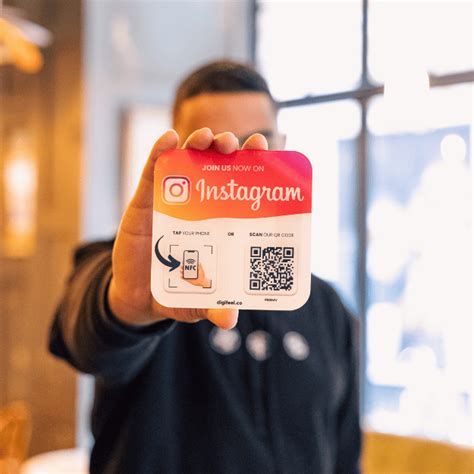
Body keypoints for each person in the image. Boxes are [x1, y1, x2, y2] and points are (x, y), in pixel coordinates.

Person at [49, 60, 361, 474]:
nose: (241, 164)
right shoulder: (139, 270)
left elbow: (344, 453)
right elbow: (88, 335)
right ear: (176, 156)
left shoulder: (325, 307)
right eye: (212, 150)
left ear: (281, 145)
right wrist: (124, 307)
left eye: (258, 143)